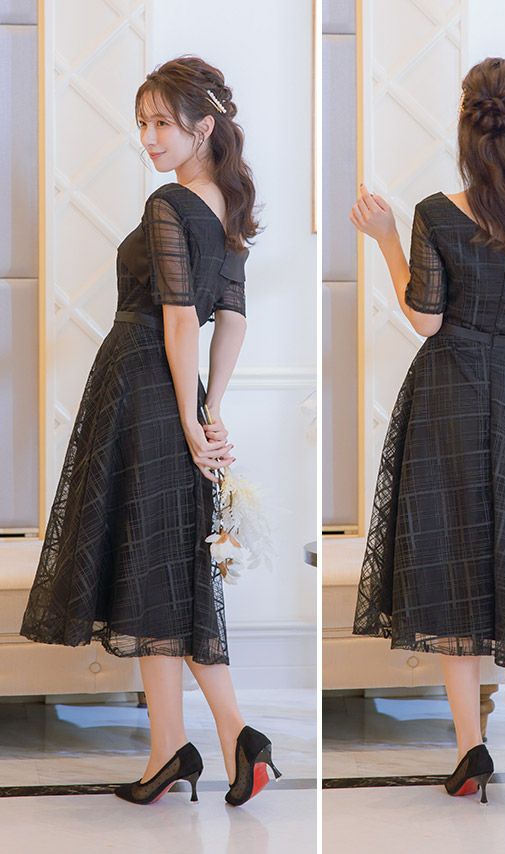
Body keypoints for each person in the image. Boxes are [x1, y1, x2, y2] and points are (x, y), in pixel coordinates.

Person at [20, 55, 281, 806]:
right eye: (142, 123)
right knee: (158, 565)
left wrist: (190, 417)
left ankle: (232, 732)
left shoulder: (171, 202)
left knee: (159, 564)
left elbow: (180, 320)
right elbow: (232, 317)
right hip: (176, 389)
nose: (149, 137)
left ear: (204, 125)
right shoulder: (227, 206)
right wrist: (208, 408)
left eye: (163, 122)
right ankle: (173, 748)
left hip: (142, 384)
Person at [349, 56, 505, 807]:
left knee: (451, 561)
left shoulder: (437, 212)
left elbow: (425, 321)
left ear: (468, 126)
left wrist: (386, 239)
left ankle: (469, 752)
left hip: (447, 391)